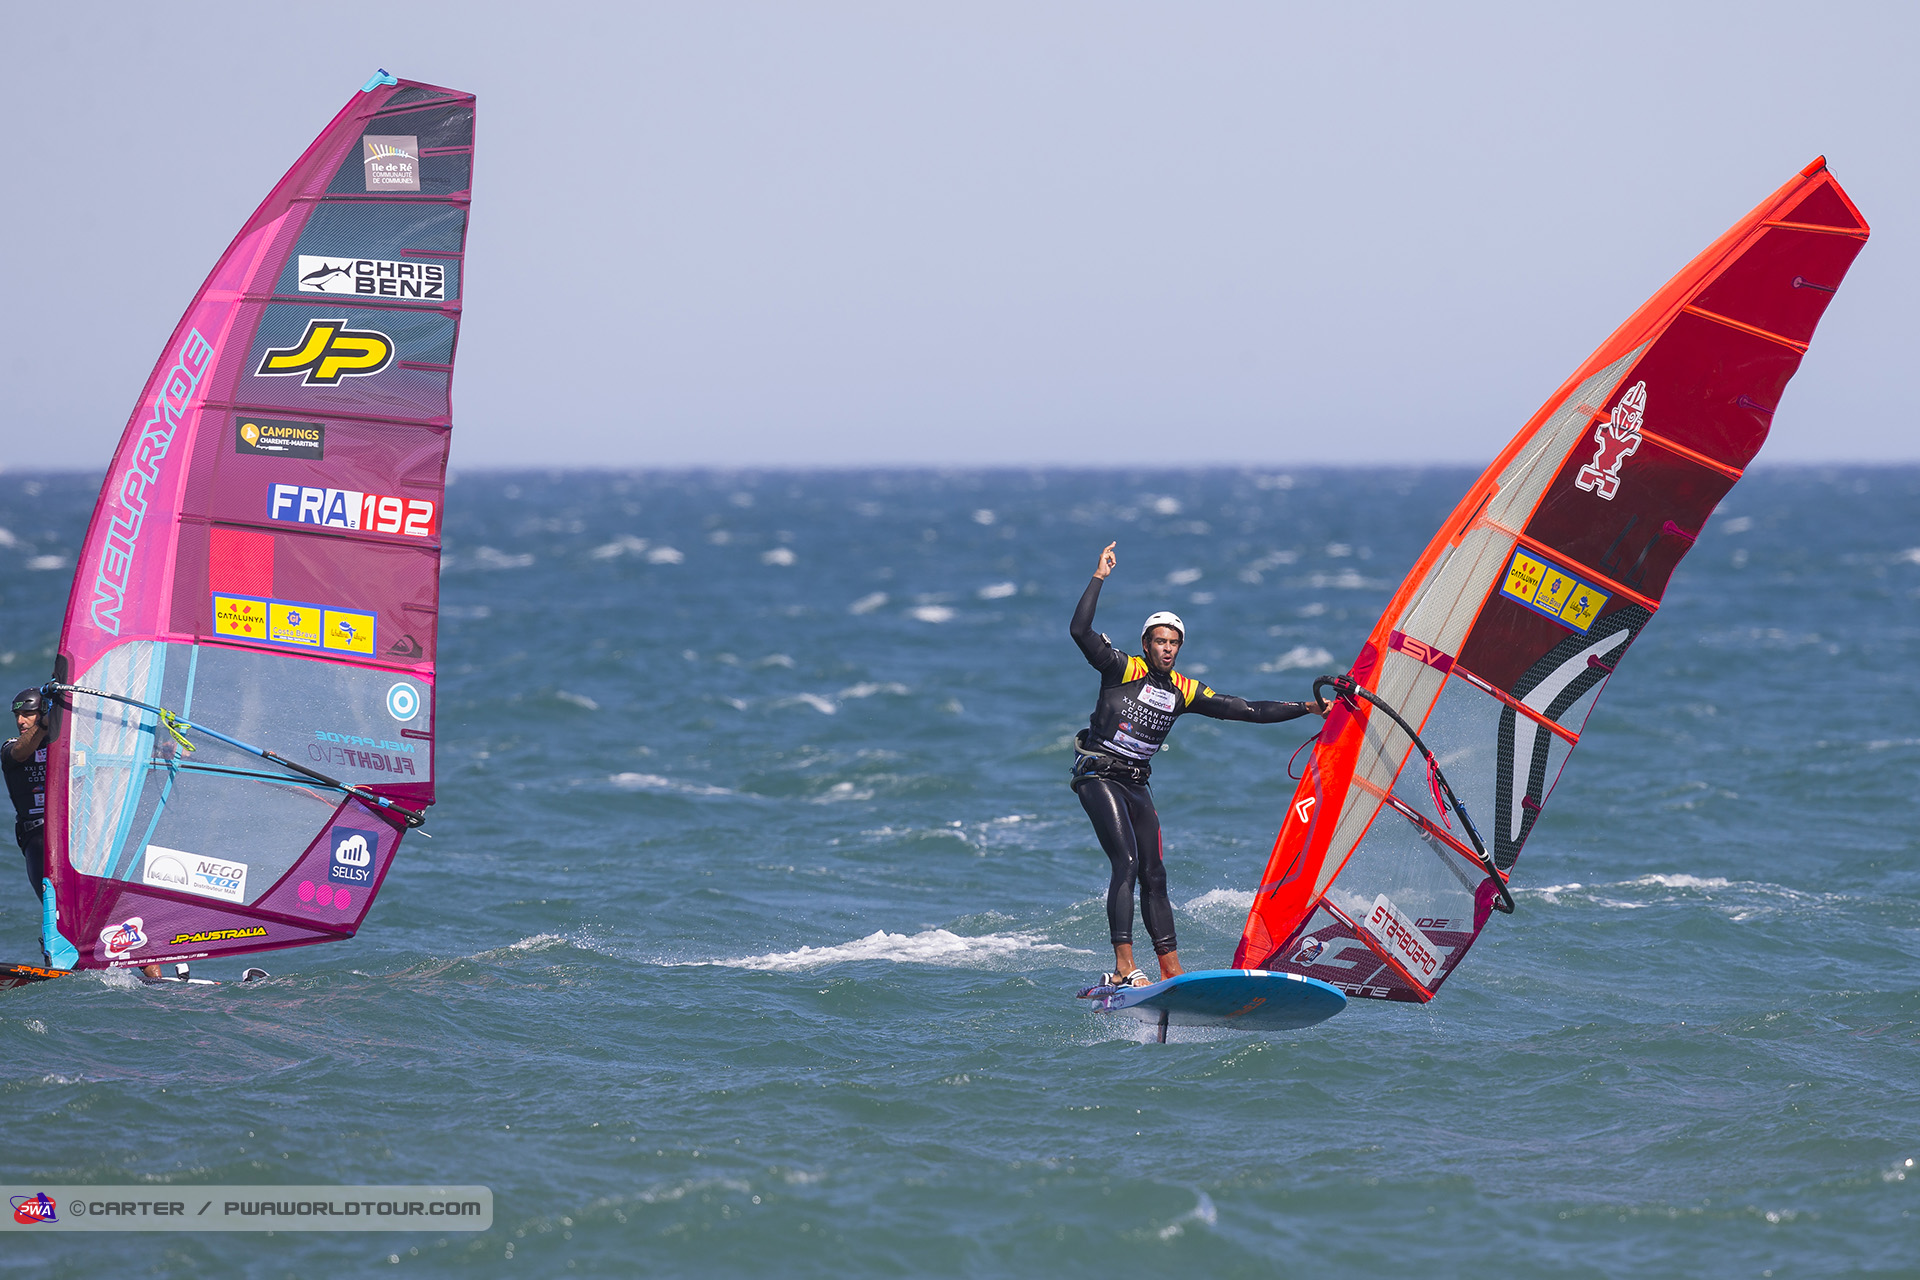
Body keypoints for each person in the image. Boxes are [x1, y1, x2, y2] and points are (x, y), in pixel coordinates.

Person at [1070, 542, 1327, 989]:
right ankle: (1124, 966)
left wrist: (1307, 707)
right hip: (1099, 774)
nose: (1167, 649)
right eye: (1160, 642)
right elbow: (1079, 629)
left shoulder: (1183, 690)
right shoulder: (1121, 668)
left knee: (1154, 874)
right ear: (1146, 644)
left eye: (1174, 643)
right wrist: (1100, 577)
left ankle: (1170, 969)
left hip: (1136, 783)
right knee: (1126, 862)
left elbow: (1247, 709)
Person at [6, 687, 52, 964]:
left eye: (28, 714)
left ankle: (156, 975)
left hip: (72, 834)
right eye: (17, 715)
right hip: (36, 837)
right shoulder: (10, 748)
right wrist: (43, 725)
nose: (21, 721)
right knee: (52, 909)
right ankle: (59, 965)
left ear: (42, 712)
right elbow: (22, 752)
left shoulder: (66, 744)